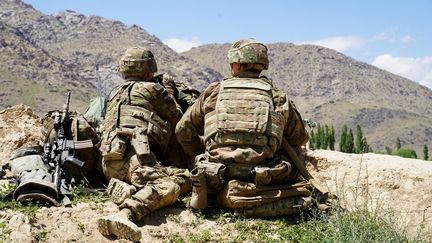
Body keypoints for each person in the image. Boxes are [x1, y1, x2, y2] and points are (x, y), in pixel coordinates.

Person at [175, 39, 314, 216]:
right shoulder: (277, 96)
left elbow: (182, 130)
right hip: (264, 175)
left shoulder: (213, 92)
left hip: (216, 175)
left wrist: (201, 151)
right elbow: (299, 138)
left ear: (238, 65)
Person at [97, 47, 191, 242]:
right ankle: (127, 213)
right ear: (149, 71)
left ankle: (130, 189)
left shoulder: (114, 93)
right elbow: (179, 120)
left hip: (109, 166)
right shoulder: (153, 89)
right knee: (180, 180)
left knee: (152, 175)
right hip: (136, 163)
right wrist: (169, 91)